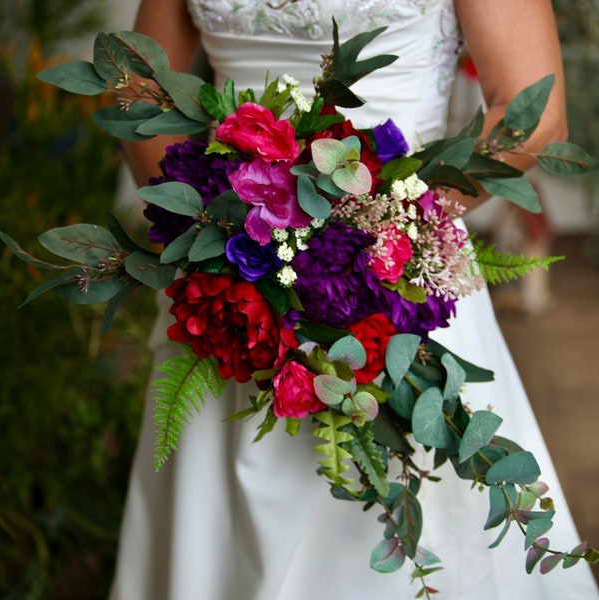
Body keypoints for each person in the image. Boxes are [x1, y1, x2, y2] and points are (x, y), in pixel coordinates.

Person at [109, 1, 599, 598]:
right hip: (232, 281)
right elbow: (134, 89)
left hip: (393, 274)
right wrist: (207, 226)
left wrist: (372, 230)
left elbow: (537, 115)